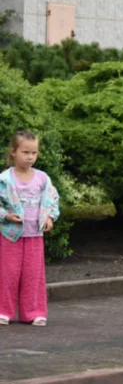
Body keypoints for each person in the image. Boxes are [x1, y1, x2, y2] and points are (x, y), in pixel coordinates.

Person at [0, 130, 60, 327]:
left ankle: (33, 312)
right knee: (7, 273)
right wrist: (6, 216)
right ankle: (3, 311)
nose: (30, 157)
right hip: (10, 235)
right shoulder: (5, 179)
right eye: (25, 152)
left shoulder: (42, 178)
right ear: (13, 152)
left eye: (34, 153)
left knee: (33, 275)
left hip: (35, 235)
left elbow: (52, 200)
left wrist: (50, 217)